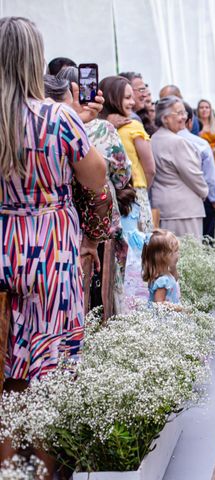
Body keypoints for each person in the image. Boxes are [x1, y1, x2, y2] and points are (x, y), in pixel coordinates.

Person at [0, 17, 107, 473]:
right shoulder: (56, 116)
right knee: (52, 359)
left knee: (7, 360)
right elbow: (95, 176)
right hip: (50, 243)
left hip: (5, 240)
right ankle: (45, 465)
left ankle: (8, 463)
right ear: (35, 60)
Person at [45, 71, 132, 314]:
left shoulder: (22, 121)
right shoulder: (92, 127)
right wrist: (93, 236)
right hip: (86, 228)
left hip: (46, 234)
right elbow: (114, 179)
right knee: (102, 299)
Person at [99, 75, 155, 233]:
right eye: (127, 97)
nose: (132, 102)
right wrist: (142, 189)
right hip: (135, 195)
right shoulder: (133, 126)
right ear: (113, 98)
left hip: (106, 197)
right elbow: (150, 169)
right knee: (139, 248)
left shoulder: (95, 127)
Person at [151, 96, 209, 237]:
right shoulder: (178, 142)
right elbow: (194, 176)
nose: (184, 117)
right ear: (165, 118)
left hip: (163, 206)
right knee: (188, 254)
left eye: (184, 113)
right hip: (184, 211)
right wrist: (205, 192)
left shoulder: (154, 138)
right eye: (179, 113)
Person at [180, 102, 215, 237]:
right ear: (190, 122)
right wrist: (214, 197)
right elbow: (209, 176)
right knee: (205, 240)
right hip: (200, 198)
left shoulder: (155, 140)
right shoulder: (200, 143)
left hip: (168, 204)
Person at [141, 229, 181, 304]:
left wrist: (173, 267)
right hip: (165, 314)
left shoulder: (167, 274)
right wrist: (176, 308)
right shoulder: (162, 281)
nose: (178, 254)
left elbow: (175, 279)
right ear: (163, 257)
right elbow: (159, 304)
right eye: (175, 251)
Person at [197, 99, 215, 182]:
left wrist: (207, 147)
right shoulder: (195, 128)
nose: (204, 109)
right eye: (201, 107)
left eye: (207, 107)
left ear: (210, 110)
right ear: (198, 110)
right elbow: (195, 145)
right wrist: (213, 147)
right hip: (201, 164)